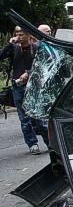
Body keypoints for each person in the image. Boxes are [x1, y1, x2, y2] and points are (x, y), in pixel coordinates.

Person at [0, 26, 49, 154]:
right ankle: (32, 144)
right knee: (24, 119)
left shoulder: (37, 48)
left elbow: (43, 65)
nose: (19, 37)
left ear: (28, 35)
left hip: (33, 86)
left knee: (39, 117)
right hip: (18, 86)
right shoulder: (14, 48)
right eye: (17, 34)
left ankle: (50, 144)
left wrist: (29, 73)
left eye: (21, 34)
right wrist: (9, 44)